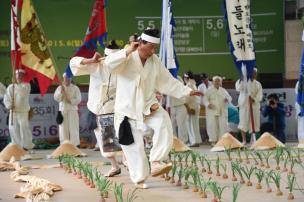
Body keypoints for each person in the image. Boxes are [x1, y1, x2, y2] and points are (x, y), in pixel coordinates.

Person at [104, 27, 202, 188]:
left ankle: (156, 160)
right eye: (151, 47)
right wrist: (128, 50)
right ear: (141, 44)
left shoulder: (154, 60)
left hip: (148, 104)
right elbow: (109, 64)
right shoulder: (126, 56)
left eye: (155, 48)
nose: (153, 51)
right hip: (127, 109)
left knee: (164, 122)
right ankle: (139, 178)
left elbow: (167, 81)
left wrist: (188, 91)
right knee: (134, 146)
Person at [70, 40, 122, 177]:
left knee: (127, 137)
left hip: (118, 107)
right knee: (105, 141)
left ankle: (129, 162)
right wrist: (90, 60)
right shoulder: (96, 65)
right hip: (100, 109)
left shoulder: (123, 65)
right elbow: (73, 62)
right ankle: (115, 166)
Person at [4, 69, 34, 150]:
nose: (19, 77)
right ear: (15, 76)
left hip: (23, 111)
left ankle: (26, 146)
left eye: (21, 75)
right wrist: (9, 105)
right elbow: (6, 97)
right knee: (12, 128)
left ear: (23, 76)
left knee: (24, 127)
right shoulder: (11, 87)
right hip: (13, 111)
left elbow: (22, 94)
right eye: (18, 75)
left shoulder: (26, 85)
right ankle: (17, 146)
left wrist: (15, 85)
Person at [235, 68, 263, 145]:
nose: (253, 74)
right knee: (243, 122)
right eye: (252, 72)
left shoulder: (258, 84)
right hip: (244, 105)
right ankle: (244, 140)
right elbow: (238, 88)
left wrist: (254, 99)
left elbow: (260, 95)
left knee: (254, 122)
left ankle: (253, 139)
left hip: (254, 105)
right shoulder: (241, 81)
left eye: (255, 73)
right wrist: (242, 79)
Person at [54, 73, 81, 146]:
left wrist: (71, 100)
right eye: (65, 78)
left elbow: (78, 99)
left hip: (72, 110)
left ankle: (75, 144)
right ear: (63, 78)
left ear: (71, 79)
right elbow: (56, 98)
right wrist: (61, 92)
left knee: (73, 127)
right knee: (63, 128)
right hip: (62, 110)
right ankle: (64, 144)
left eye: (68, 78)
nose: (67, 79)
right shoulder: (60, 87)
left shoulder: (75, 88)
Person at [204, 76, 231, 145]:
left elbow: (229, 97)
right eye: (215, 81)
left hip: (222, 110)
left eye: (218, 81)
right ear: (213, 82)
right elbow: (205, 99)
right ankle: (213, 141)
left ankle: (221, 141)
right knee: (212, 126)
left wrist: (227, 99)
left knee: (222, 126)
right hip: (212, 110)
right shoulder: (209, 90)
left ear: (220, 82)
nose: (217, 82)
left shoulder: (223, 90)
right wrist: (208, 104)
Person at [183, 71, 202, 147]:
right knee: (194, 123)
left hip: (191, 106)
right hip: (196, 105)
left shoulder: (189, 85)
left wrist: (188, 107)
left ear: (185, 78)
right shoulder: (193, 84)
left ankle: (194, 141)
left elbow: (187, 97)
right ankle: (196, 140)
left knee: (191, 124)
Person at [169, 76, 189, 144]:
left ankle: (183, 141)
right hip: (172, 106)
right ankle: (174, 141)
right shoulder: (167, 77)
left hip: (180, 105)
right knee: (172, 125)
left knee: (181, 124)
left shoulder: (178, 78)